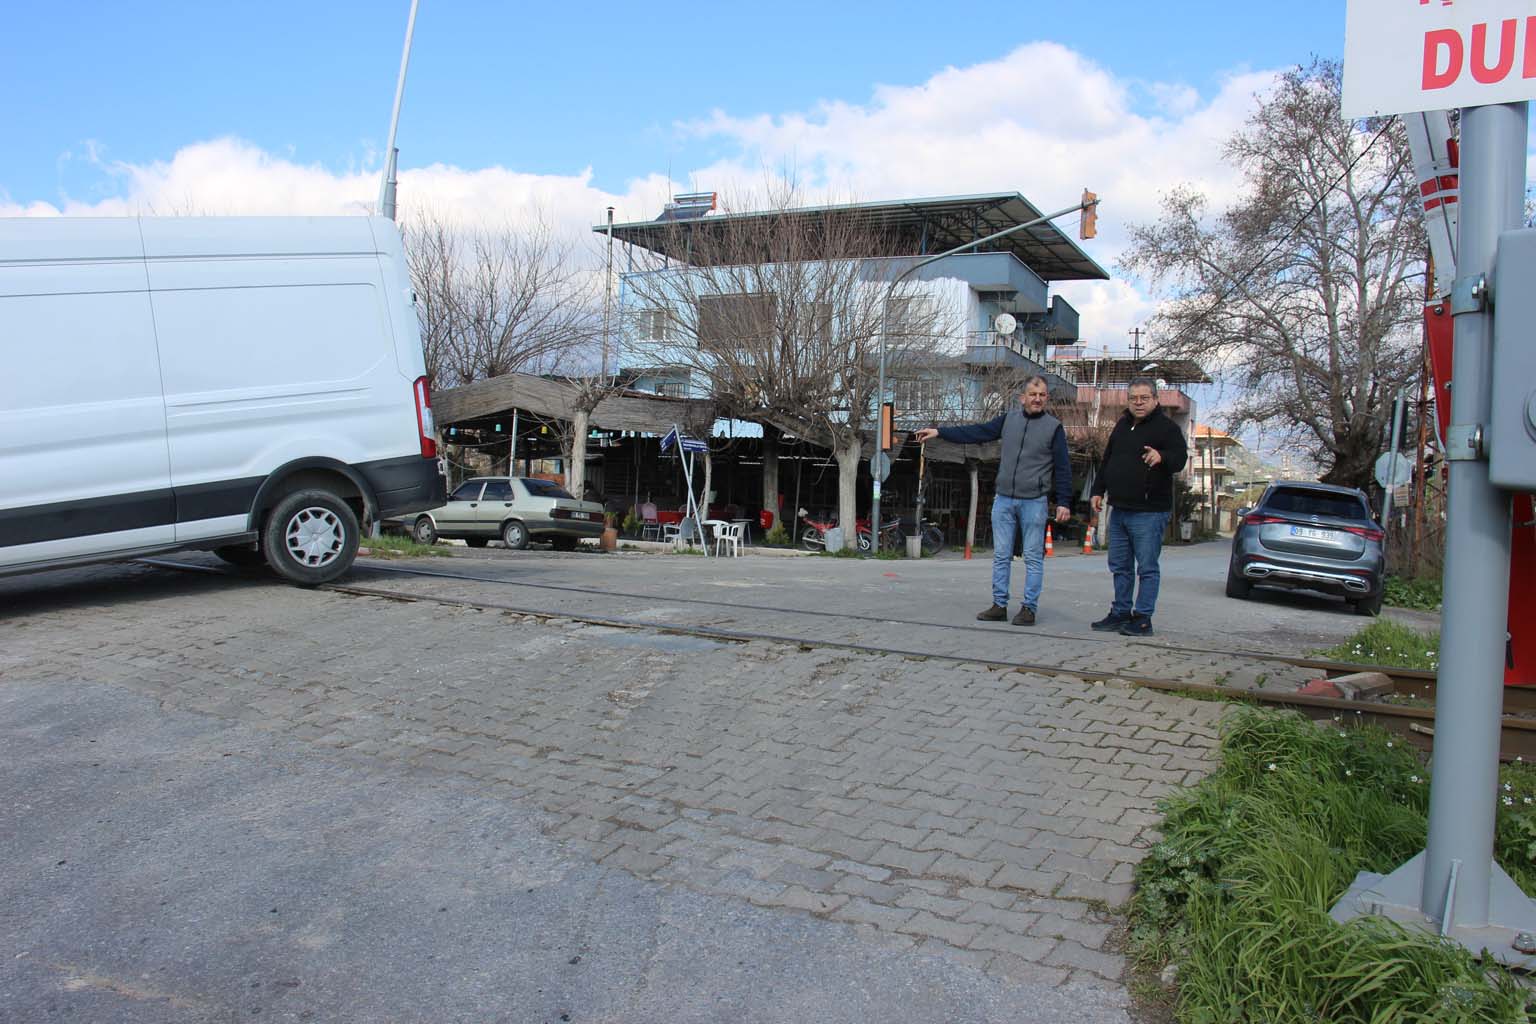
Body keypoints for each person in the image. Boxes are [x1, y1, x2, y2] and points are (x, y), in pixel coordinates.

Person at [913, 376, 1071, 626]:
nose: (1037, 399)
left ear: (1046, 399)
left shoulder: (1053, 428)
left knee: (1032, 556)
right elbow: (977, 432)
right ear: (1022, 398)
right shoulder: (1008, 420)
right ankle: (999, 605)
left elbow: (1063, 467)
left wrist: (1064, 501)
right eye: (1033, 394)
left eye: (1041, 395)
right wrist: (939, 432)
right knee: (1001, 555)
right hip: (1005, 499)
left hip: (1034, 501)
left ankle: (1028, 608)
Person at [1089, 377, 1189, 636]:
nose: (1138, 403)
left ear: (1155, 399)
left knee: (1146, 567)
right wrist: (1098, 490)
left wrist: (1162, 456)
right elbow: (1107, 460)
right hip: (1120, 509)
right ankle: (1120, 613)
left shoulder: (1167, 429)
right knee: (1120, 566)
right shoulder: (1122, 426)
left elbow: (1179, 459)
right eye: (1133, 398)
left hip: (1149, 512)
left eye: (1144, 398)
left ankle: (1143, 618)